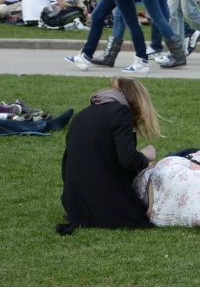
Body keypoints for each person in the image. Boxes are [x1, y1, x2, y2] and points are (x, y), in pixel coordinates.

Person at [59, 77, 160, 233]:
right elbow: (127, 160)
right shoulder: (120, 112)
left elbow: (68, 163)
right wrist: (145, 156)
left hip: (76, 205)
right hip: (106, 207)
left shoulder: (82, 115)